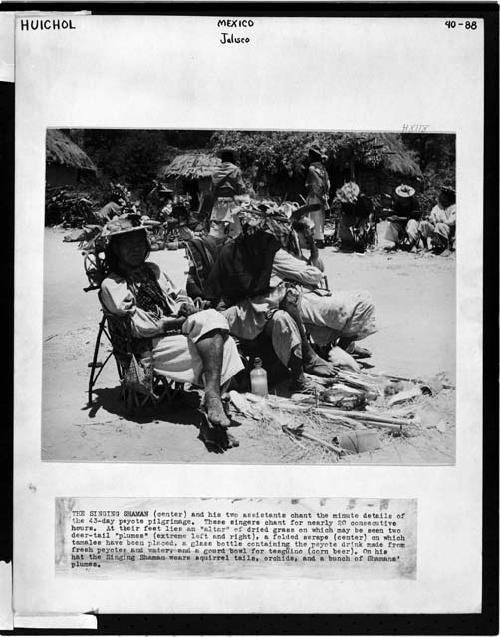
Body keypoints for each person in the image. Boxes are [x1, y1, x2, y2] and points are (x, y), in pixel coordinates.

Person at [99, 214, 244, 452]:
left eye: (139, 242)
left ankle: (211, 404)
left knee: (221, 337)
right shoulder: (113, 284)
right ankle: (214, 400)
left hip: (176, 332)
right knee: (219, 340)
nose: (136, 249)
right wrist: (174, 322)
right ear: (116, 249)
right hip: (150, 345)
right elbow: (139, 327)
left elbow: (176, 296)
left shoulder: (152, 270)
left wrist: (185, 306)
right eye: (128, 244)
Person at [210, 148, 248, 237]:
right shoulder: (236, 170)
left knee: (217, 231)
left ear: (222, 159)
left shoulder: (215, 171)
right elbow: (241, 187)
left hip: (219, 203)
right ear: (232, 159)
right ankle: (233, 248)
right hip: (232, 203)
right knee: (236, 231)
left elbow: (212, 190)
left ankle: (218, 248)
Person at [336, 182, 374, 253]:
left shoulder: (363, 201)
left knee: (362, 230)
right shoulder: (345, 202)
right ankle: (348, 241)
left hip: (363, 218)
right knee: (343, 223)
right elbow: (346, 213)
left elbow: (367, 212)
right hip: (353, 217)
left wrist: (360, 220)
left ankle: (359, 243)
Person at [382, 184, 421, 251]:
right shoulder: (397, 202)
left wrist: (403, 218)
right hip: (400, 223)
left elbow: (416, 215)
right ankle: (396, 244)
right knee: (391, 224)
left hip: (410, 222)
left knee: (412, 223)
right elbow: (394, 212)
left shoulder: (414, 202)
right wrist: (393, 217)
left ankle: (413, 245)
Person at [305, 146, 330, 248]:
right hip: (322, 196)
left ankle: (317, 240)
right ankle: (320, 239)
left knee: (314, 217)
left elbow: (317, 184)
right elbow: (328, 183)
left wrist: (318, 194)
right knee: (320, 217)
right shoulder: (323, 169)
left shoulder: (312, 169)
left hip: (315, 196)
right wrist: (325, 195)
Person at [418, 187, 456, 255]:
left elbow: (451, 222)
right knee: (423, 223)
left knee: (440, 225)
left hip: (448, 231)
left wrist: (442, 219)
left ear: (449, 197)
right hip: (436, 229)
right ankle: (425, 247)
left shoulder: (454, 207)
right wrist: (429, 219)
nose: (441, 196)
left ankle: (447, 248)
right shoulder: (437, 206)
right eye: (442, 195)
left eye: (444, 195)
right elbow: (432, 217)